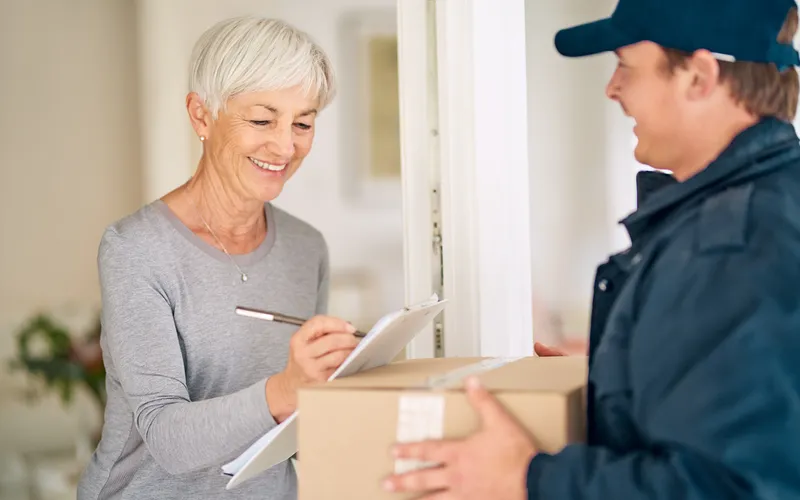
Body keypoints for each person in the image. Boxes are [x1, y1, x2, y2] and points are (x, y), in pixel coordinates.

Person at [382, 0, 800, 498]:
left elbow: (732, 487)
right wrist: (618, 377)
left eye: (625, 63)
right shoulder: (762, 208)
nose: (612, 88)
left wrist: (527, 478)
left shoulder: (734, 242)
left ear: (698, 76)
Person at [77, 16, 359, 500]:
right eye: (262, 119)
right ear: (201, 115)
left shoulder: (306, 248)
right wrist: (286, 389)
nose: (285, 145)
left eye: (303, 123)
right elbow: (165, 437)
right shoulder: (135, 249)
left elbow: (296, 429)